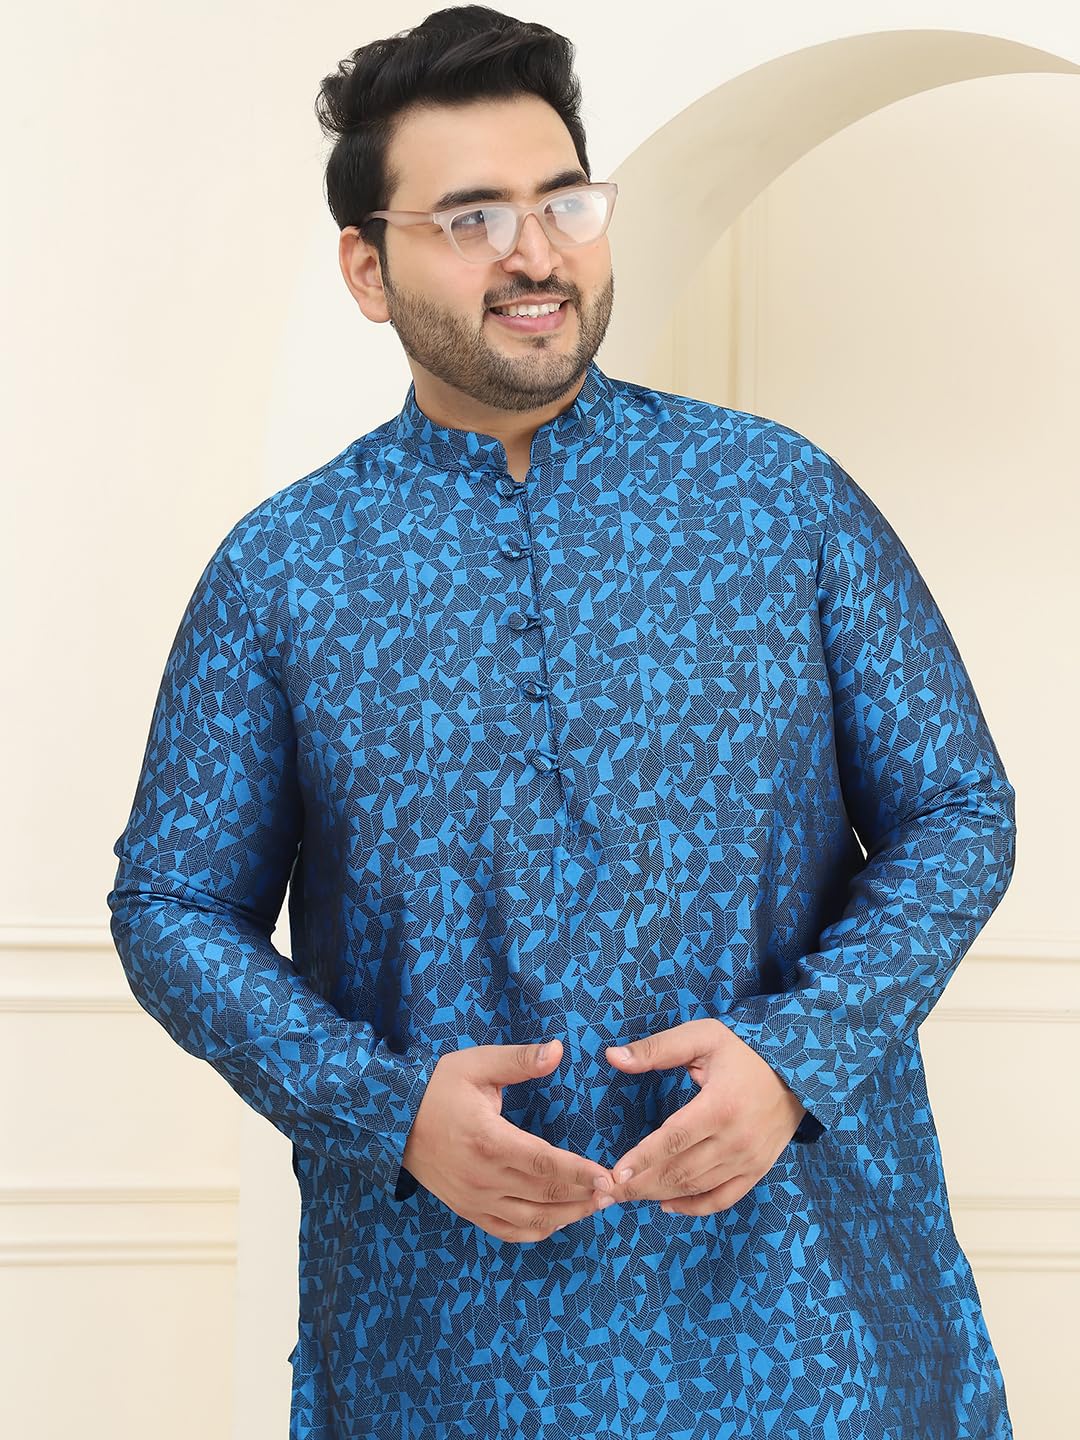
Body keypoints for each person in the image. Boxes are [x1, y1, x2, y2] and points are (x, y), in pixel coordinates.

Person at [107, 6, 1018, 1437]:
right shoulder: (285, 571)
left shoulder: (779, 500)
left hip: (809, 1320)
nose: (535, 254)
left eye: (563, 203)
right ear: (367, 265)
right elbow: (170, 904)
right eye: (471, 218)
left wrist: (799, 1056)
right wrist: (384, 1110)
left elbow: (958, 809)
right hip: (446, 1340)